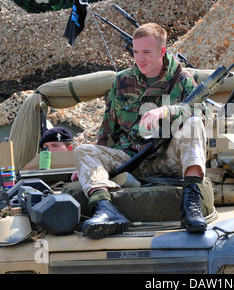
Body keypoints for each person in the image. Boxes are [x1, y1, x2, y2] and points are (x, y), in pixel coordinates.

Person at [74, 23, 207, 239]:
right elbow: (108, 130)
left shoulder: (182, 80)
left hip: (167, 158)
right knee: (82, 151)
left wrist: (167, 111)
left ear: (162, 51)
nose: (140, 58)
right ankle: (106, 211)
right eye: (136, 52)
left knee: (194, 124)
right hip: (130, 158)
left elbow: (202, 114)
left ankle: (191, 203)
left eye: (146, 52)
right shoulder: (123, 81)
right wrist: (89, 164)